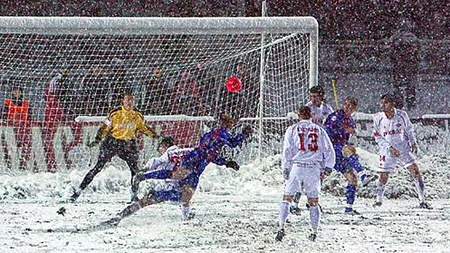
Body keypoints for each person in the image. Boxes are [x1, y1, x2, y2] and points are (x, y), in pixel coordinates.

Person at [98, 113, 252, 226]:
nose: (234, 124)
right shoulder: (221, 134)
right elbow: (228, 144)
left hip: (191, 167)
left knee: (182, 193)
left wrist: (226, 162)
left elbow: (209, 154)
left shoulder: (210, 136)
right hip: (185, 170)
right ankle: (124, 210)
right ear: (228, 123)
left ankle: (183, 214)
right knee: (175, 187)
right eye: (233, 122)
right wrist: (243, 135)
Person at [69, 90, 161, 203]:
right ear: (122, 101)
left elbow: (144, 129)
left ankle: (133, 195)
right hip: (112, 142)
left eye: (132, 99)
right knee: (98, 167)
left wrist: (157, 137)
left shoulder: (137, 115)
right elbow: (104, 127)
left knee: (135, 171)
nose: (129, 102)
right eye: (127, 99)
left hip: (128, 144)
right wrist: (98, 139)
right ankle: (77, 192)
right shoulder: (115, 114)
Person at [275, 106, 335, 242]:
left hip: (297, 166)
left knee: (287, 198)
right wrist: (328, 166)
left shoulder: (292, 129)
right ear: (311, 115)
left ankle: (281, 228)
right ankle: (314, 232)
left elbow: (287, 150)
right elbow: (329, 150)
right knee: (313, 202)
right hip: (313, 168)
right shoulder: (319, 130)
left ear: (298, 115)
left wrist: (285, 168)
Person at [372, 93, 431, 209]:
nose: (383, 105)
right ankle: (378, 200)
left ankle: (422, 200)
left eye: (386, 102)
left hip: (403, 147)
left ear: (392, 103)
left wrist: (413, 142)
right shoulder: (378, 118)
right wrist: (389, 148)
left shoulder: (402, 115)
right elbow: (377, 136)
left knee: (415, 171)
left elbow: (409, 130)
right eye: (382, 102)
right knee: (384, 175)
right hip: (388, 150)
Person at [290, 85, 334, 215]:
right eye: (311, 96)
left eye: (315, 96)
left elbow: (330, 125)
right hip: (308, 145)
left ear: (322, 97)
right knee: (302, 176)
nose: (313, 99)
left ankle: (312, 201)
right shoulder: (307, 108)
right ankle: (295, 203)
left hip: (319, 144)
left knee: (318, 175)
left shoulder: (327, 109)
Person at [323, 96, 366, 214]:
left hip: (340, 153)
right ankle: (363, 174)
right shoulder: (336, 116)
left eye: (350, 106)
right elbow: (327, 132)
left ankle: (348, 208)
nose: (347, 107)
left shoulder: (350, 120)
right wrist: (342, 130)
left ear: (355, 108)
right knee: (348, 149)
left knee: (352, 178)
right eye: (345, 104)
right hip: (332, 149)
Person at [2, 85, 32, 170]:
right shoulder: (7, 103)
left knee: (25, 147)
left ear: (21, 92)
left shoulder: (26, 103)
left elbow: (30, 117)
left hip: (23, 129)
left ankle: (24, 165)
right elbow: (3, 116)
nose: (16, 92)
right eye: (14, 91)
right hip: (11, 129)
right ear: (11, 92)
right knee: (12, 148)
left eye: (18, 91)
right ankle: (12, 166)